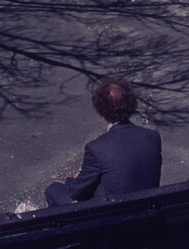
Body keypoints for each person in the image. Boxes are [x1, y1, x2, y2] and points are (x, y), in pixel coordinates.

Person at [45, 78, 162, 206]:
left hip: (114, 216)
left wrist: (73, 180)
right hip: (148, 209)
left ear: (100, 108)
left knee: (53, 190)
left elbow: (76, 192)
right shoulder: (152, 137)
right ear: (132, 104)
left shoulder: (97, 148)